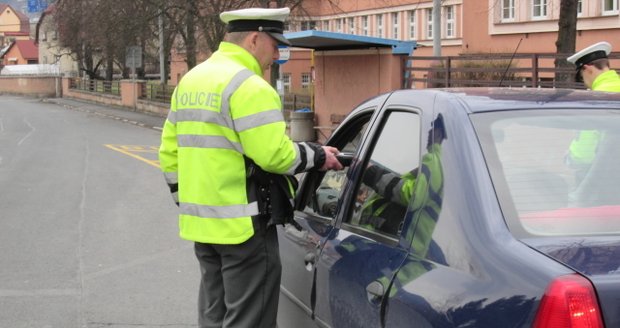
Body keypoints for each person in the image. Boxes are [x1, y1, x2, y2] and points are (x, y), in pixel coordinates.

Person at [158, 7, 343, 328]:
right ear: (255, 39)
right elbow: (276, 156)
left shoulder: (191, 80)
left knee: (214, 316)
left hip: (202, 228)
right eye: (275, 45)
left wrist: (186, 201)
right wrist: (318, 155)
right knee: (249, 320)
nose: (276, 55)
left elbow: (168, 153)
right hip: (245, 230)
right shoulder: (249, 86)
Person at [566, 42, 620, 183]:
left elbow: (584, 153)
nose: (584, 82)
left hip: (607, 176)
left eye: (581, 77)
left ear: (587, 68)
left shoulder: (595, 99)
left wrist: (571, 158)